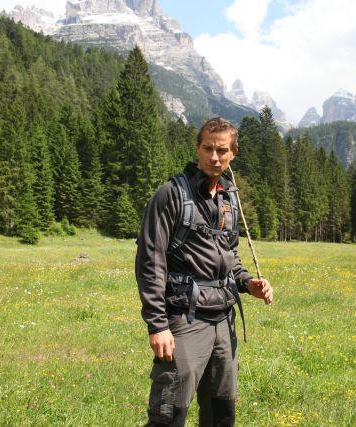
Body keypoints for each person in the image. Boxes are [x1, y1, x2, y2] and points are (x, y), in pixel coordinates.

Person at [135, 117, 273, 426]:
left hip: (224, 322)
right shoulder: (171, 194)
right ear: (197, 148)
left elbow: (230, 255)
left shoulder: (228, 199)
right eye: (208, 148)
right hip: (185, 319)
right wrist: (158, 325)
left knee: (221, 413)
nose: (214, 157)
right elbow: (150, 260)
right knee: (169, 415)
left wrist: (248, 283)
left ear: (233, 153)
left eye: (222, 150)